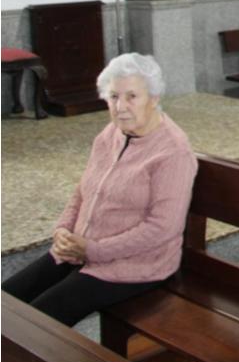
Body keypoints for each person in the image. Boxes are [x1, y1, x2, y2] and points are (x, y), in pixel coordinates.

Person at [1, 54, 197, 326]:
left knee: (32, 325)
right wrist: (63, 230)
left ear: (154, 98)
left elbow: (163, 227)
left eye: (132, 96)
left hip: (135, 265)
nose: (121, 107)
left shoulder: (173, 152)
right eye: (113, 96)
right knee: (6, 301)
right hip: (80, 249)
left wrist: (94, 250)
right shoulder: (110, 134)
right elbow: (84, 190)